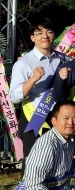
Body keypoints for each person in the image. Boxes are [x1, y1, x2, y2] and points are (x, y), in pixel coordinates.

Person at [10, 18, 67, 160]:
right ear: (32, 37)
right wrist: (33, 79)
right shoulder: (24, 63)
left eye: (49, 32)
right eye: (39, 33)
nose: (45, 36)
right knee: (33, 162)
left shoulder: (63, 59)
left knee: (57, 161)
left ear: (54, 35)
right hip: (34, 118)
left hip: (58, 118)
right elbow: (14, 97)